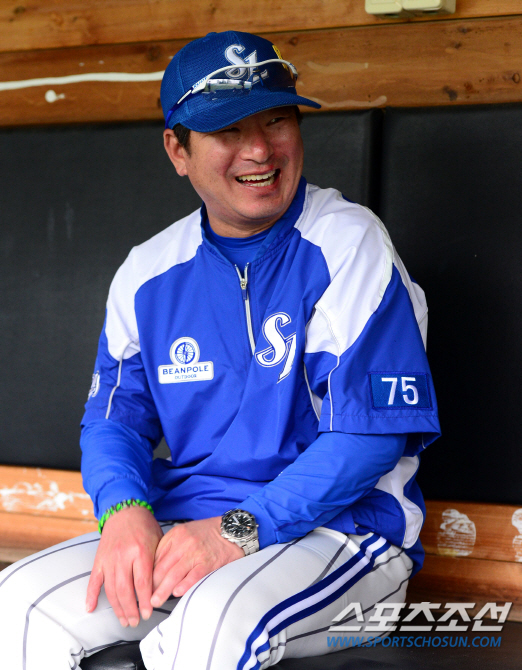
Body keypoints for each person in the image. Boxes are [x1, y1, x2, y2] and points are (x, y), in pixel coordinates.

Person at [0, 30, 440, 670]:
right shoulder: (148, 272)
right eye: (228, 129)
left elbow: (368, 440)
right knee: (17, 605)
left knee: (212, 624)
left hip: (344, 535)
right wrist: (123, 509)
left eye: (277, 120)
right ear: (177, 150)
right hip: (190, 530)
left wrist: (237, 531)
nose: (260, 149)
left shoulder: (347, 244)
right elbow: (115, 420)